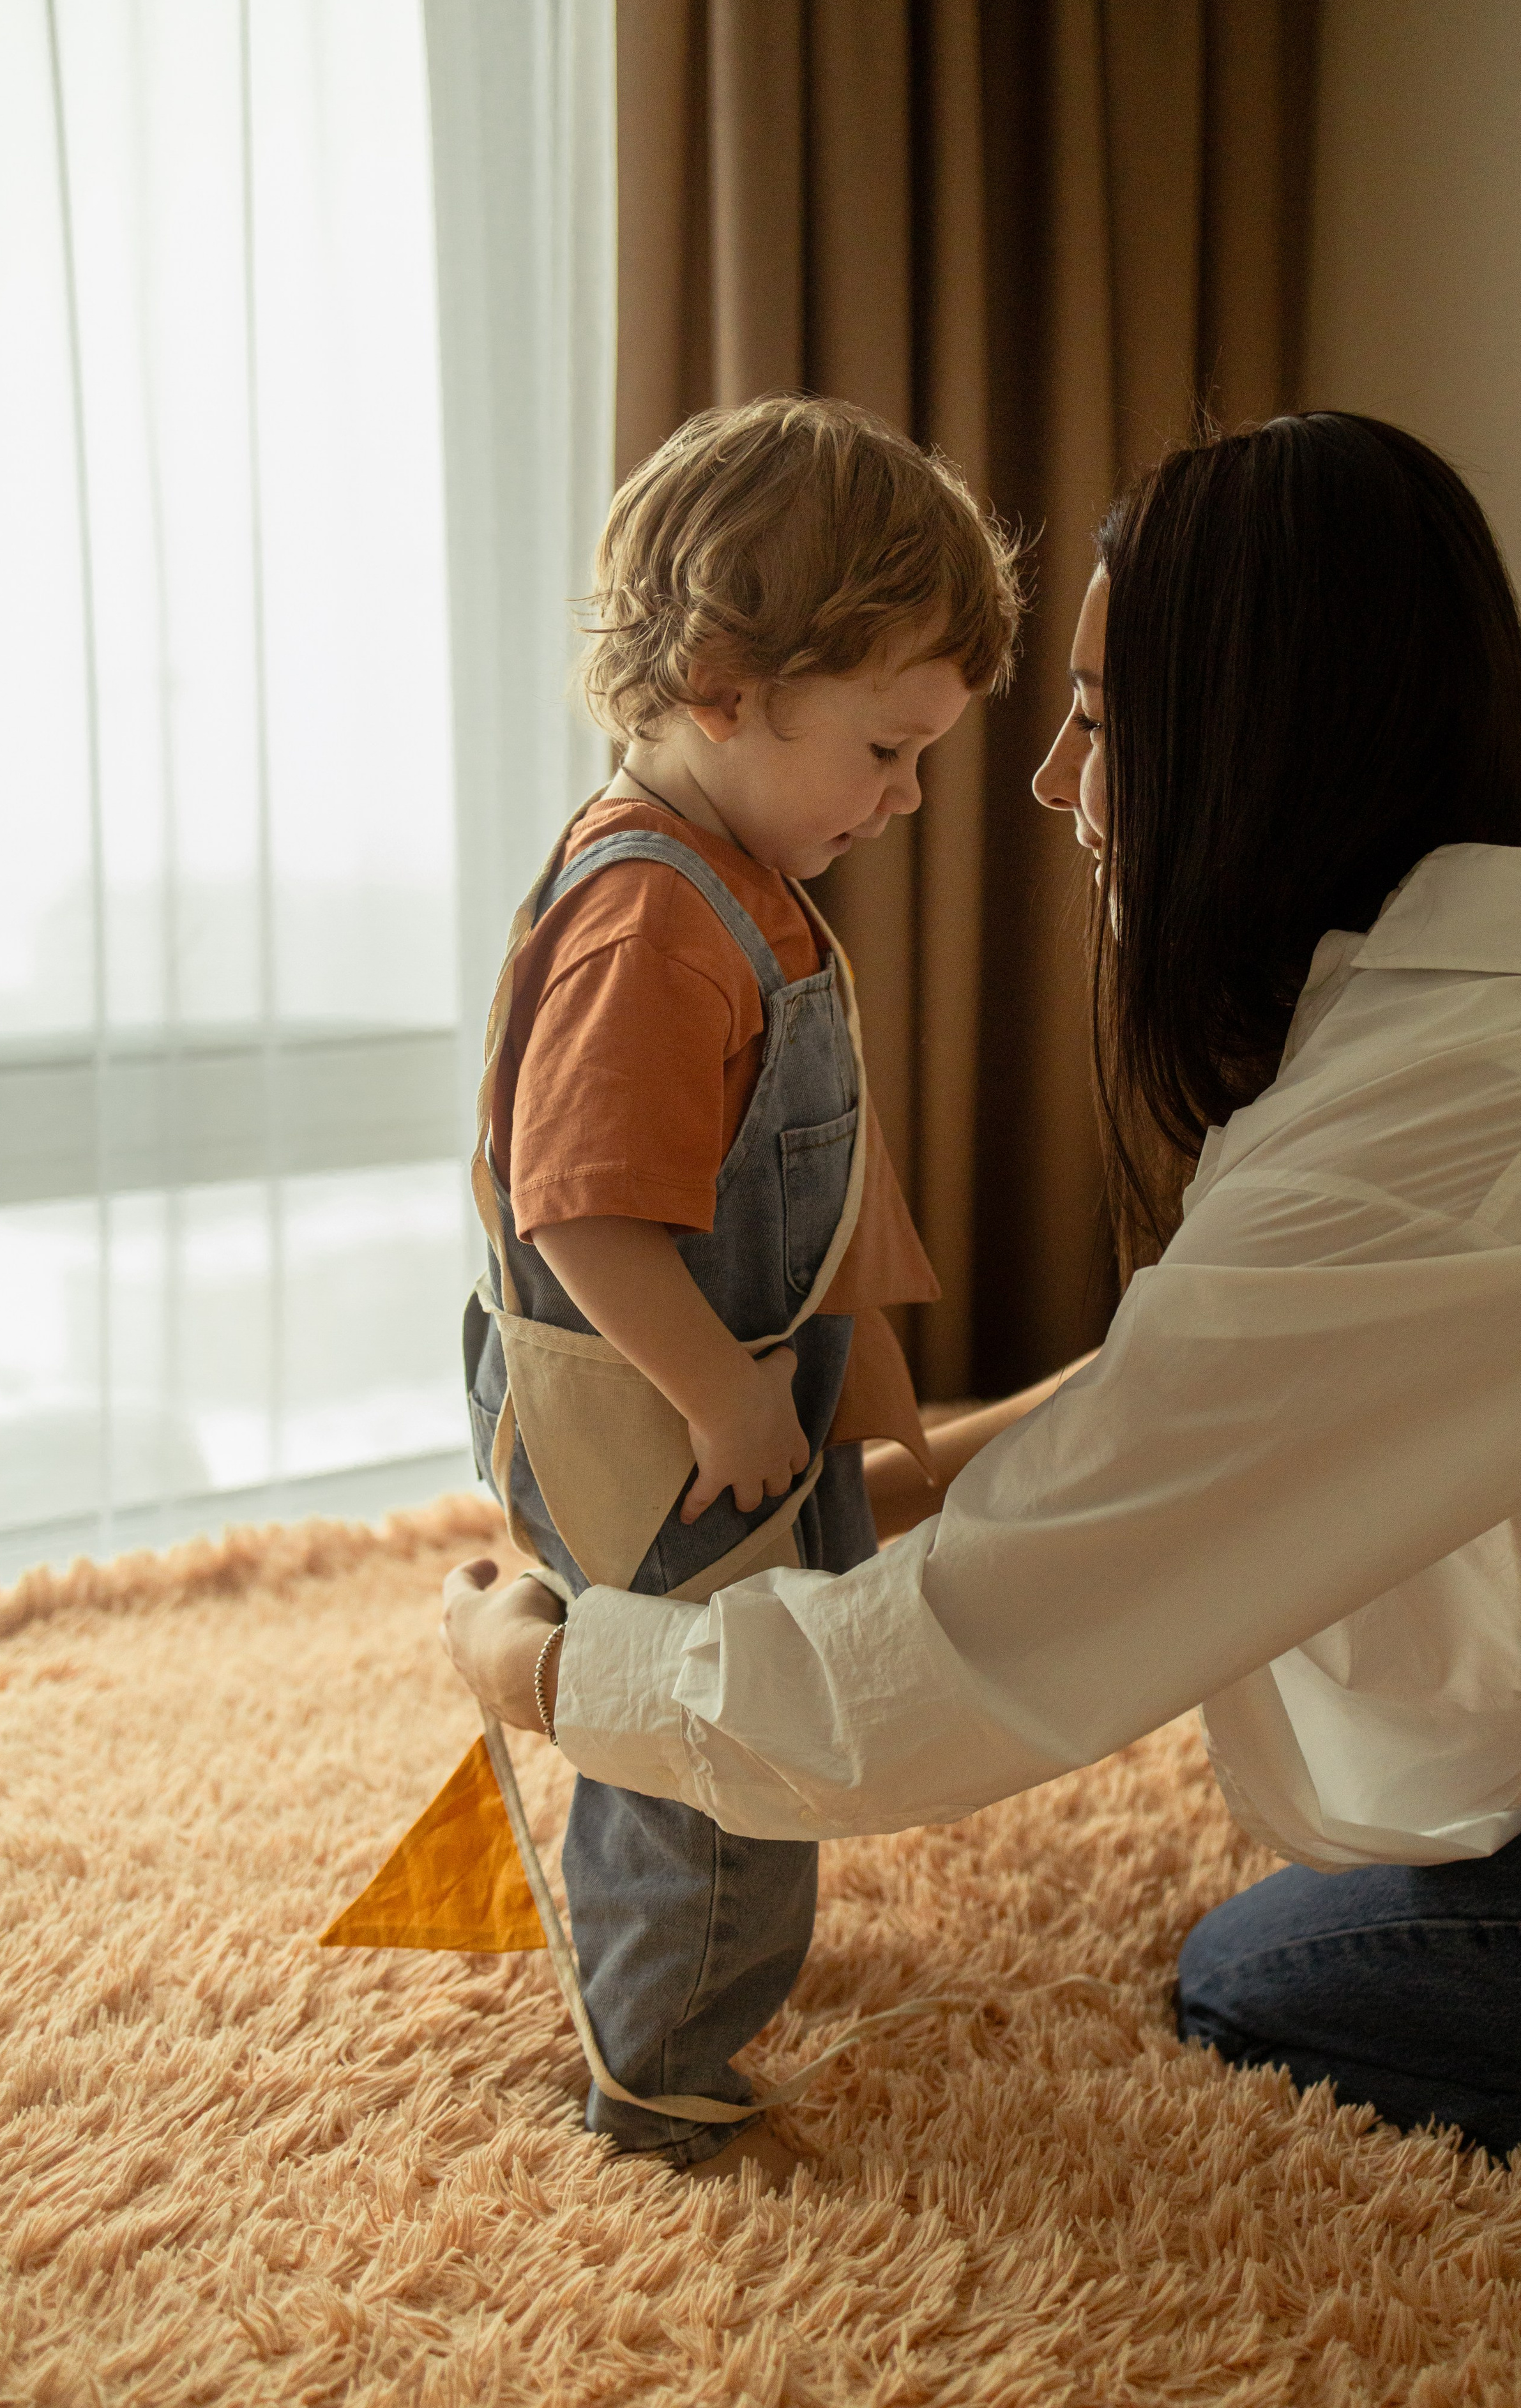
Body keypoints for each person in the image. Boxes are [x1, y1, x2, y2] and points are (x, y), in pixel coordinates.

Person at [447, 413, 1521, 2186]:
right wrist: (893, 1470)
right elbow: (1217, 1394)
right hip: (674, 1424)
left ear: (1252, 750)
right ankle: (663, 2008)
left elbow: (972, 1662)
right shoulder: (1517, 985)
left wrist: (550, 1674)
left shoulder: (1427, 1142)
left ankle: (665, 2042)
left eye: (1099, 719)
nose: (1052, 784)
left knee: (1258, 1976)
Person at [458, 393, 1025, 2180]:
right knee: (699, 1707)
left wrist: (857, 1397)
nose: (909, 796)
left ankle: (708, 1927)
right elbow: (583, 1213)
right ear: (719, 679)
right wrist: (717, 1393)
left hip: (749, 1372)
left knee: (791, 1658)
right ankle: (665, 2047)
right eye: (883, 749)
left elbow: (822, 1171)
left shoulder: (750, 876)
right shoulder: (651, 918)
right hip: (652, 1397)